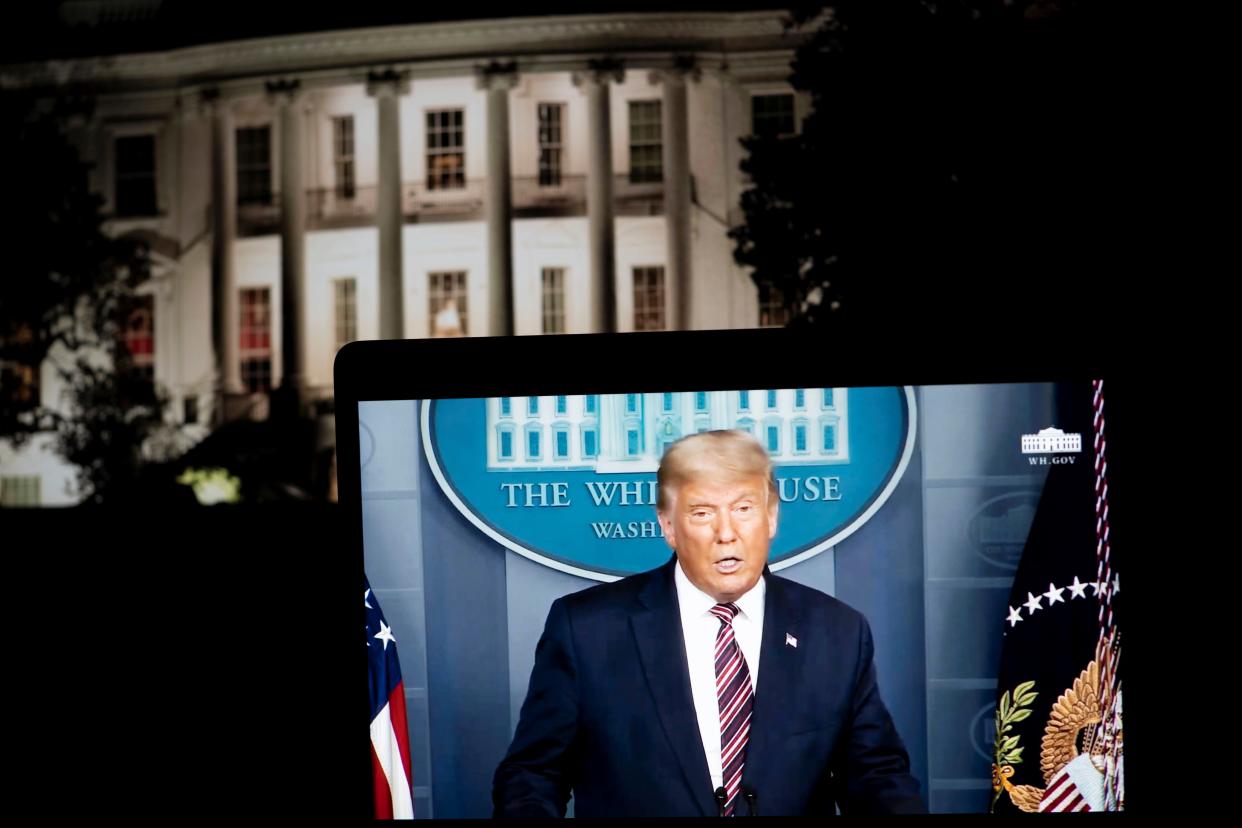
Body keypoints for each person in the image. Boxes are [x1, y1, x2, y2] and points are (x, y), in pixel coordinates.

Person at [493, 429, 925, 817]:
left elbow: (875, 777)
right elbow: (533, 777)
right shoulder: (586, 629)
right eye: (702, 513)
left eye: (744, 508)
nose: (727, 533)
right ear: (668, 525)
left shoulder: (837, 632)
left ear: (771, 516)